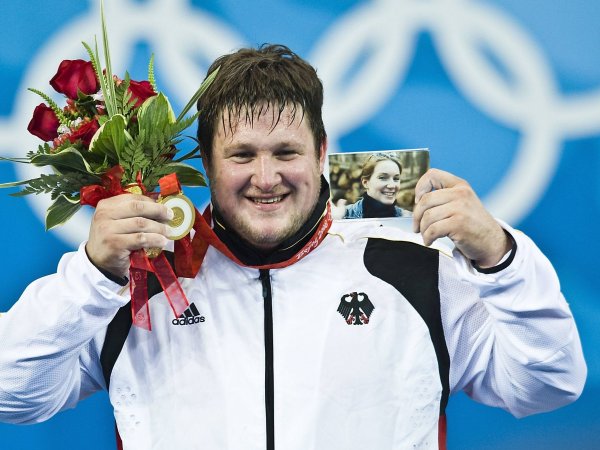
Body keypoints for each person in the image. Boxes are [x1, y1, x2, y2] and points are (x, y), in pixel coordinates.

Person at [0, 44, 586, 450]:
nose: (266, 177)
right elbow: (11, 395)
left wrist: (501, 258)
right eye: (242, 155)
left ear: (322, 151)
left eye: (286, 152)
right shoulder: (139, 281)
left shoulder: (411, 265)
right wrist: (92, 277)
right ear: (206, 163)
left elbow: (550, 383)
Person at [335, 153, 410, 219]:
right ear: (365, 183)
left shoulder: (407, 217)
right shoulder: (345, 215)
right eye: (383, 178)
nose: (392, 185)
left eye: (396, 179)